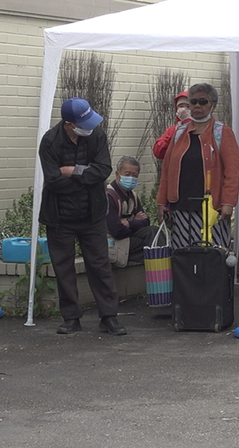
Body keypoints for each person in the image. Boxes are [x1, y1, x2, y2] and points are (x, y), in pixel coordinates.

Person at [39, 98, 125, 335]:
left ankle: (109, 316)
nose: (89, 126)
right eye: (83, 123)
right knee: (63, 268)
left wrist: (75, 171)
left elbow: (104, 170)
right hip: (59, 216)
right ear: (69, 124)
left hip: (92, 214)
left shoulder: (96, 135)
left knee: (100, 265)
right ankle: (71, 318)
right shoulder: (49, 141)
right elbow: (53, 181)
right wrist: (86, 179)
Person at [157, 83, 239, 249]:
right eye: (193, 102)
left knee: (211, 260)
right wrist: (161, 202)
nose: (197, 106)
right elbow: (167, 170)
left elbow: (233, 172)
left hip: (211, 210)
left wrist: (228, 203)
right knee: (183, 260)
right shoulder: (179, 133)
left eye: (203, 101)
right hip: (180, 209)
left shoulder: (222, 133)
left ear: (213, 105)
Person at [105, 156, 159, 267]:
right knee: (152, 245)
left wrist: (130, 223)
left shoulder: (133, 196)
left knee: (154, 232)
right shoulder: (109, 196)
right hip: (115, 241)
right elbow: (116, 231)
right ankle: (160, 272)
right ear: (117, 174)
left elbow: (146, 221)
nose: (131, 178)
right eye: (127, 174)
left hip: (128, 237)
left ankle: (158, 268)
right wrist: (136, 224)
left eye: (134, 175)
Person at [152, 91, 192, 160]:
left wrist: (187, 122)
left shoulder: (203, 128)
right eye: (181, 106)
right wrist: (174, 134)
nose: (184, 110)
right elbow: (158, 152)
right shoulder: (172, 130)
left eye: (188, 106)